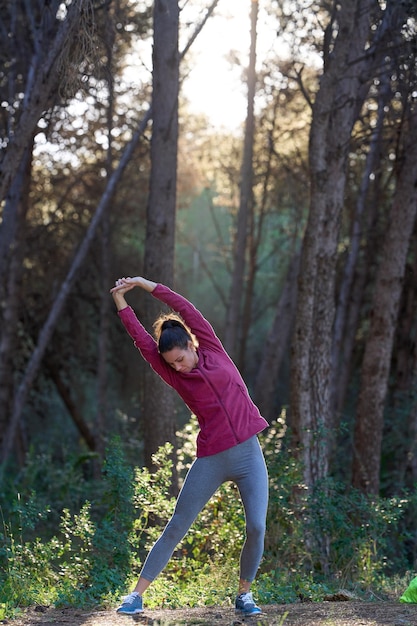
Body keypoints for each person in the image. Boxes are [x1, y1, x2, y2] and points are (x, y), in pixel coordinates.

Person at [110, 276, 269, 616]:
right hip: (213, 456)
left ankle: (244, 595)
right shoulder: (175, 376)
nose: (178, 367)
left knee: (257, 525)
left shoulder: (212, 347)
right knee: (178, 524)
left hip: (248, 453)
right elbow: (141, 340)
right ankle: (135, 595)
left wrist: (143, 284)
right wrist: (121, 302)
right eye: (172, 364)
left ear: (192, 345)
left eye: (180, 359)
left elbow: (185, 308)